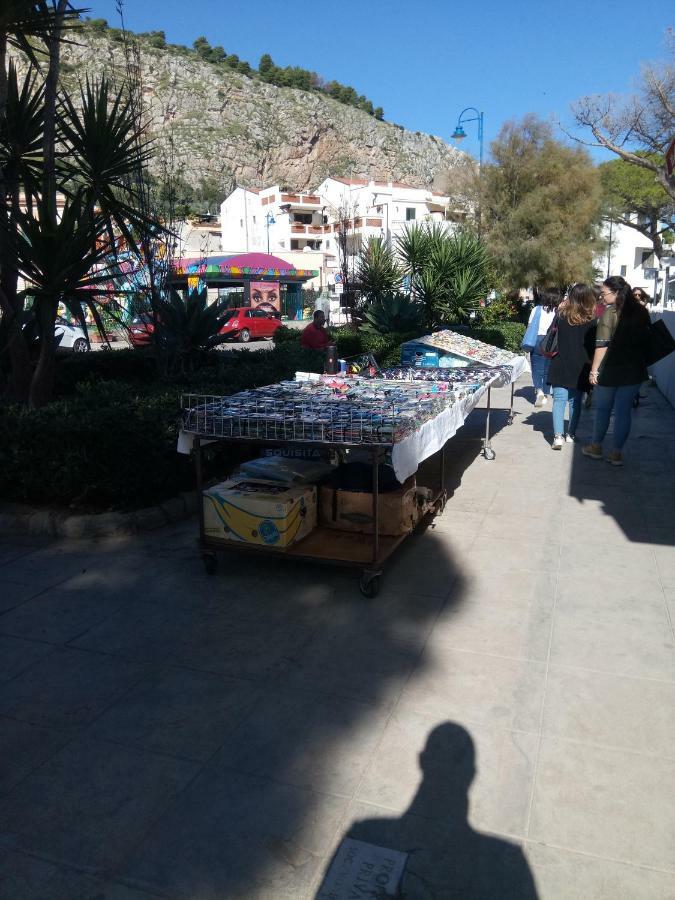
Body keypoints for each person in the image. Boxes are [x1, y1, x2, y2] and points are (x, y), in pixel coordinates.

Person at [582, 275, 651, 466]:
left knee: (603, 409)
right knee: (623, 412)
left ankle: (596, 447)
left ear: (617, 292)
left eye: (604, 294)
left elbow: (602, 345)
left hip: (610, 370)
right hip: (634, 370)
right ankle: (616, 453)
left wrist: (594, 370)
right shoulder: (641, 312)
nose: (601, 297)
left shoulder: (610, 313)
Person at [547, 283, 597, 449]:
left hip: (560, 363)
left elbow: (551, 334)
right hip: (581, 366)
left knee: (559, 400)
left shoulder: (561, 315)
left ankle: (557, 437)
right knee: (575, 402)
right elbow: (592, 347)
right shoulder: (591, 320)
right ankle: (571, 434)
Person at [526, 287, 562, 406]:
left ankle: (539, 391)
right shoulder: (559, 311)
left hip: (537, 340)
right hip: (552, 341)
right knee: (548, 368)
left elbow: (530, 325)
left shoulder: (536, 309)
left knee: (536, 368)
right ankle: (546, 393)